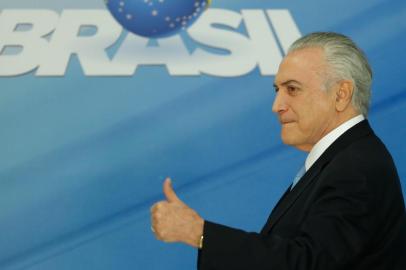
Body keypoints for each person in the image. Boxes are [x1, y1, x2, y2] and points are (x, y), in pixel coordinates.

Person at [150, 32, 406, 270]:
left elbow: (307, 263)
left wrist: (199, 232)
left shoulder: (355, 168)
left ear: (341, 94)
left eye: (292, 89)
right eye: (277, 90)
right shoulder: (343, 160)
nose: (277, 105)